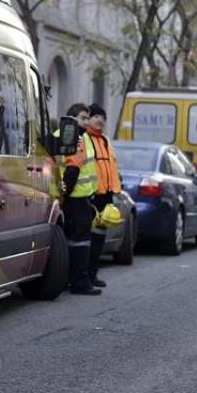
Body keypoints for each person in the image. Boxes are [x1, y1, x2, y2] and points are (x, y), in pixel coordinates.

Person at [60, 103, 101, 296]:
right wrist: (65, 193)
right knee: (80, 243)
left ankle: (70, 280)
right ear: (72, 118)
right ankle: (79, 282)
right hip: (75, 199)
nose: (87, 122)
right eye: (83, 118)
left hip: (74, 198)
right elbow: (72, 169)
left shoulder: (72, 136)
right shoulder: (74, 138)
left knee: (72, 242)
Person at [86, 103, 121, 288]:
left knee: (99, 238)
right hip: (91, 195)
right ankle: (84, 275)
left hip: (106, 196)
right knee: (87, 238)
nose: (100, 120)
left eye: (103, 117)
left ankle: (92, 273)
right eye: (96, 116)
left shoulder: (106, 141)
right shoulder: (85, 140)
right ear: (89, 119)